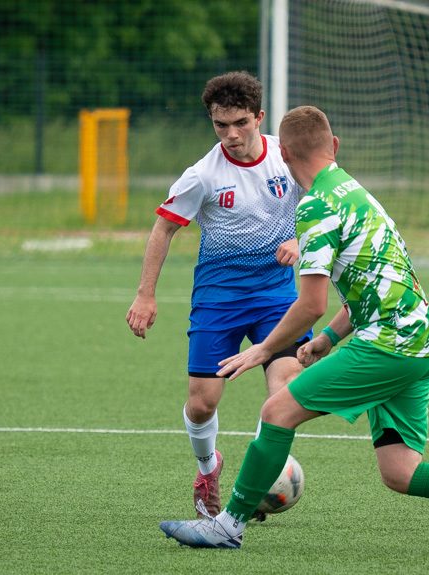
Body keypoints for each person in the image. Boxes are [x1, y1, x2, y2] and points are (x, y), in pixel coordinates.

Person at [159, 105, 429, 557]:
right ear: (335, 146)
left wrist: (263, 350)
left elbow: (311, 304)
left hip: (387, 344)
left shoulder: (314, 206)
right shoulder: (356, 193)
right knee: (400, 472)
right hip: (423, 341)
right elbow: (375, 279)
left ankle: (228, 525)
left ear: (283, 152)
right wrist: (328, 339)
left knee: (276, 412)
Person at [126, 71, 311, 519]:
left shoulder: (289, 160)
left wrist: (301, 241)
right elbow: (165, 227)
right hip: (219, 297)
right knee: (202, 400)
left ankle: (255, 481)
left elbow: (325, 208)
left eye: (241, 123)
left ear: (260, 118)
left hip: (277, 297)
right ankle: (209, 469)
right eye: (220, 125)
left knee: (285, 389)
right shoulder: (202, 175)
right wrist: (145, 295)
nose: (231, 134)